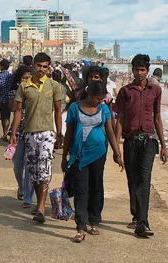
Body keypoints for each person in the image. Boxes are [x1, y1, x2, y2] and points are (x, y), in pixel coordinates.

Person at [62, 81, 123, 242]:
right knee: (81, 190)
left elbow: (109, 131)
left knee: (95, 187)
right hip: (79, 155)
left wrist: (117, 153)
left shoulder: (103, 108)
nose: (100, 101)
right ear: (89, 95)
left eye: (102, 99)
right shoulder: (75, 108)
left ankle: (94, 220)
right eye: (98, 98)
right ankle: (80, 226)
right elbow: (69, 132)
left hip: (98, 154)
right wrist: (64, 157)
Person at [115, 54, 168, 237]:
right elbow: (120, 120)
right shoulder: (125, 92)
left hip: (148, 141)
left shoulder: (155, 90)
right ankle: (136, 215)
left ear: (147, 70)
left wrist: (163, 145)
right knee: (133, 179)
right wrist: (116, 148)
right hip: (130, 141)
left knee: (144, 179)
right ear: (132, 70)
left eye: (143, 70)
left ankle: (143, 223)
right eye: (136, 70)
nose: (139, 73)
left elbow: (157, 118)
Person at [10, 52, 63, 223]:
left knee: (44, 168)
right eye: (39, 66)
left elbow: (57, 111)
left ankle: (41, 206)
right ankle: (39, 202)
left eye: (45, 67)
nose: (42, 69)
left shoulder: (54, 86)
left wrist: (59, 132)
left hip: (47, 132)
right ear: (34, 66)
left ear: (49, 68)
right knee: (33, 171)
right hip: (29, 133)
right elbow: (18, 111)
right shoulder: (24, 86)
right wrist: (13, 132)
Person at [8, 65, 34, 208]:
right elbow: (12, 108)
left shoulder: (36, 91)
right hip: (18, 130)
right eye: (24, 77)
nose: (26, 80)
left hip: (33, 130)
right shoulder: (15, 91)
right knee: (17, 165)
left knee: (29, 164)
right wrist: (20, 93)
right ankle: (21, 185)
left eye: (29, 77)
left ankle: (28, 196)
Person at [0, 59, 13, 141]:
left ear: (1, 66)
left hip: (1, 99)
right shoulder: (11, 76)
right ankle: (7, 132)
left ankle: (4, 133)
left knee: (3, 117)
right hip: (10, 98)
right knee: (7, 117)